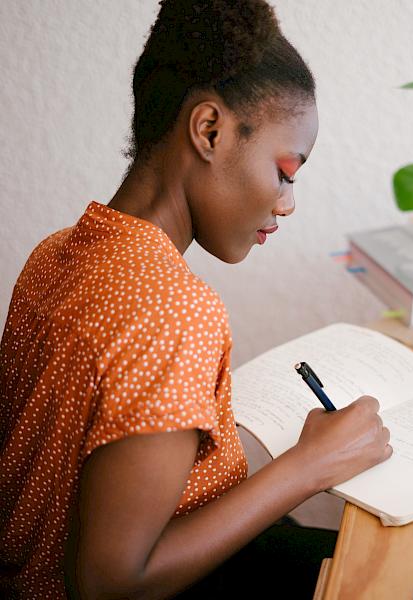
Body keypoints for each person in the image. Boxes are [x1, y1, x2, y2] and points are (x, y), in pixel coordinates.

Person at [0, 1, 392, 598]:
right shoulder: (174, 310)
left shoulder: (58, 253)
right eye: (286, 171)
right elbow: (110, 581)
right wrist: (309, 466)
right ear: (209, 130)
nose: (287, 203)